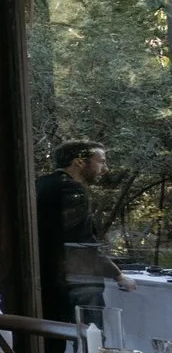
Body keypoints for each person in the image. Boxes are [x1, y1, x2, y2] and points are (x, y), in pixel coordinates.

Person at [35, 139, 129, 324]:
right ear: (78, 161)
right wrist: (117, 273)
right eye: (101, 161)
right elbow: (81, 241)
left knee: (51, 341)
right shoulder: (71, 188)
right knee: (90, 338)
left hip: (47, 278)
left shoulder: (40, 184)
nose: (105, 168)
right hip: (75, 280)